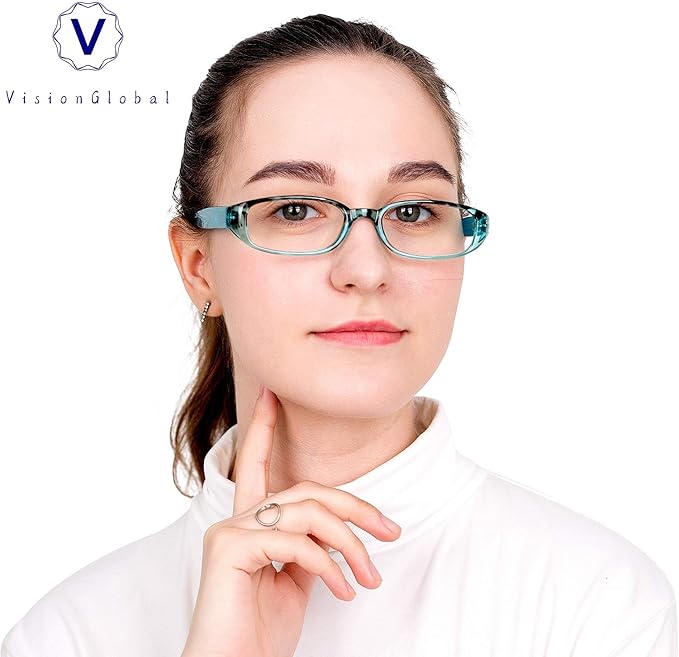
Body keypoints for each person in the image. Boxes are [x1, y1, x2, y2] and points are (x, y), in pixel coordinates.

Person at [2, 13, 676, 657]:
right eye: (296, 209)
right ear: (198, 264)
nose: (366, 269)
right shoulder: (69, 636)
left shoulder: (598, 603)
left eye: (414, 210)